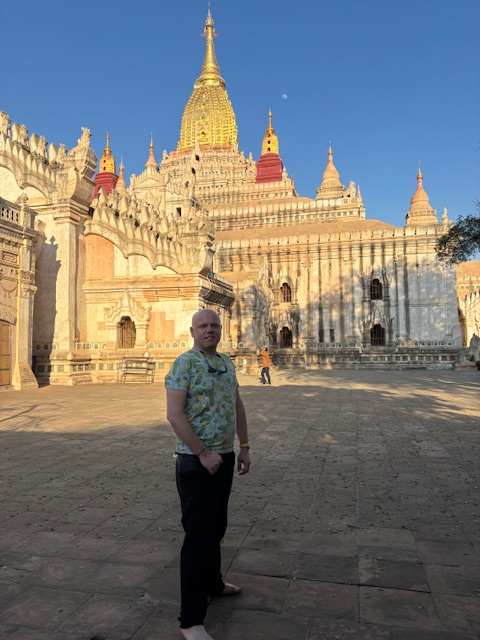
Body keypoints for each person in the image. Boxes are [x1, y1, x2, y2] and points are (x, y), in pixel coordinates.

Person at [165, 309, 251, 640]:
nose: (210, 330)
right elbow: (174, 415)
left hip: (224, 458)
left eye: (215, 325)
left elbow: (237, 406)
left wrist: (244, 446)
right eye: (203, 326)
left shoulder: (227, 363)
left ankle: (213, 583)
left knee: (216, 527)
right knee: (198, 537)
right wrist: (203, 453)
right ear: (192, 331)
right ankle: (190, 621)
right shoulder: (183, 364)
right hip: (195, 461)